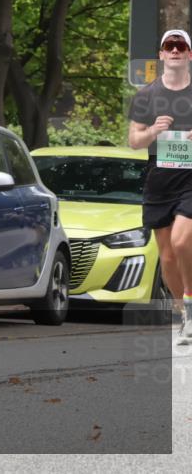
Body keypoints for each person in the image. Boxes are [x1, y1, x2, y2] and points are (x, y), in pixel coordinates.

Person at [128, 28, 192, 345]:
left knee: (182, 242)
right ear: (162, 54)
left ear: (189, 54)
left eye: (181, 46)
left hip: (191, 182)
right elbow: (133, 140)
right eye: (170, 46)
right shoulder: (147, 96)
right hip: (160, 182)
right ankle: (185, 316)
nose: (176, 50)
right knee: (166, 256)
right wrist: (154, 129)